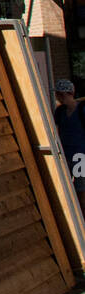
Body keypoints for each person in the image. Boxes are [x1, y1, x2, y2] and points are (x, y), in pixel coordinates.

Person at [53, 79, 85, 215]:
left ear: (70, 93)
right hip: (66, 155)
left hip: (80, 156)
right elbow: (57, 131)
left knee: (81, 188)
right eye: (58, 95)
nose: (59, 98)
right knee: (66, 187)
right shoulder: (60, 112)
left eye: (61, 95)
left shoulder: (82, 110)